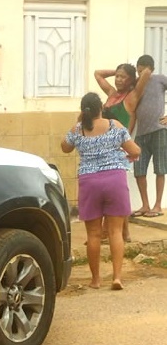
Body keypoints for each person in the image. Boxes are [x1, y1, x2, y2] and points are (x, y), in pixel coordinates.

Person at [61, 92, 141, 290]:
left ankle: (95, 280)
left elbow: (65, 147)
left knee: (94, 235)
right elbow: (136, 151)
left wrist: (79, 122)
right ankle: (116, 278)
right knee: (115, 232)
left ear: (83, 110)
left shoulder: (78, 130)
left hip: (89, 183)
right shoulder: (114, 126)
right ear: (101, 109)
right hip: (115, 179)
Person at [94, 64, 151, 241]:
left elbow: (147, 72)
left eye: (122, 77)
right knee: (114, 193)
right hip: (103, 147)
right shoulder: (112, 94)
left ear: (131, 80)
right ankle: (124, 233)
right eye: (117, 76)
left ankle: (109, 232)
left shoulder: (131, 97)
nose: (118, 79)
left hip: (118, 150)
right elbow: (98, 73)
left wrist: (135, 73)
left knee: (115, 194)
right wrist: (117, 70)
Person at [131, 55, 167, 218]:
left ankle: (158, 205)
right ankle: (145, 205)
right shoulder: (134, 84)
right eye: (138, 71)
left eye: (142, 70)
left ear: (150, 69)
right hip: (141, 134)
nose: (140, 74)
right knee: (139, 170)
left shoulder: (160, 80)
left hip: (159, 130)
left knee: (160, 168)